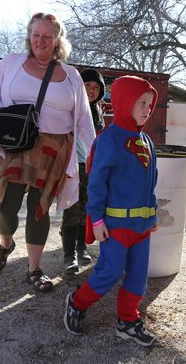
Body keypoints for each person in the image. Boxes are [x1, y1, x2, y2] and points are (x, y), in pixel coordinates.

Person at [0, 12, 96, 292]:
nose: (40, 41)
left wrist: (93, 152)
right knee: (5, 206)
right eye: (36, 35)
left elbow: (82, 118)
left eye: (47, 36)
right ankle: (6, 244)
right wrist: (6, 118)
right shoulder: (11, 63)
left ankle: (34, 268)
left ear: (57, 40)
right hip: (17, 146)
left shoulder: (71, 75)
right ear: (28, 37)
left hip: (54, 151)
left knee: (39, 210)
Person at [64, 75, 159, 347]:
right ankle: (77, 302)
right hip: (115, 226)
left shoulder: (147, 142)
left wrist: (152, 214)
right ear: (124, 101)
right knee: (109, 271)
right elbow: (97, 183)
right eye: (141, 102)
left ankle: (127, 321)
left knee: (139, 276)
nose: (147, 109)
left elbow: (150, 182)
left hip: (142, 229)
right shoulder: (108, 140)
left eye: (150, 104)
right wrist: (96, 219)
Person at [60, 68, 105, 275]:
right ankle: (69, 255)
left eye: (96, 87)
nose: (91, 90)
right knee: (71, 209)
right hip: (70, 165)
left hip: (90, 168)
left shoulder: (97, 113)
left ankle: (81, 247)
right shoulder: (69, 108)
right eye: (87, 85)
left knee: (86, 209)